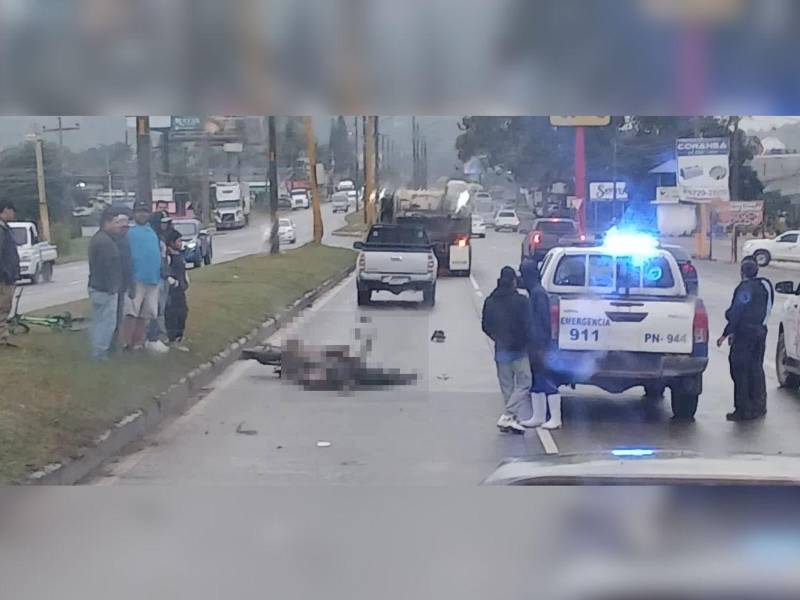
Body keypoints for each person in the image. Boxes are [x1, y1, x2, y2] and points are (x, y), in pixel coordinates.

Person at [717, 257, 774, 421]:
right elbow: (767, 308)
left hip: (744, 335)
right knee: (756, 369)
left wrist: (725, 333)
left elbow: (736, 313)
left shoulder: (745, 288)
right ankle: (759, 405)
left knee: (740, 371)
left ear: (742, 272)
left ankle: (743, 410)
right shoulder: (766, 285)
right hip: (760, 332)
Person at [481, 266, 532, 434]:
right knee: (525, 383)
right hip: (519, 350)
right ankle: (509, 415)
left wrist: (497, 338)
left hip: (501, 350)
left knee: (507, 387)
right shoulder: (522, 301)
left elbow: (485, 325)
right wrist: (525, 340)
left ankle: (512, 420)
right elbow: (528, 325)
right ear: (513, 282)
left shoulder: (491, 300)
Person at [518, 257, 561, 429]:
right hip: (535, 344)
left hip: (540, 345)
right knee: (536, 380)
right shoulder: (535, 292)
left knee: (546, 379)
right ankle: (538, 415)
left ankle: (555, 418)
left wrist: (542, 345)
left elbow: (543, 321)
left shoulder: (538, 293)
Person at [119, 201, 165, 352]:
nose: (142, 214)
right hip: (135, 279)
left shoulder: (152, 231)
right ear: (134, 214)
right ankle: (126, 344)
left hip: (153, 279)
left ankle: (138, 344)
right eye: (139, 211)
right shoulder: (128, 232)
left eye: (145, 211)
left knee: (145, 314)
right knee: (131, 313)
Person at [87, 209, 125, 360]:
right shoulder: (105, 242)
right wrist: (113, 287)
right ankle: (99, 353)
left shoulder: (100, 239)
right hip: (104, 289)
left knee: (99, 321)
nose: (118, 225)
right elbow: (107, 266)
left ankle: (97, 350)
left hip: (98, 286)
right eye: (115, 222)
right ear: (106, 223)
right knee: (106, 323)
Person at [144, 210, 172, 352]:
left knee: (161, 307)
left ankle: (158, 335)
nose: (166, 225)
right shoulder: (152, 237)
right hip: (156, 277)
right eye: (163, 223)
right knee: (155, 308)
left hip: (163, 275)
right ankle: (152, 338)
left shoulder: (160, 236)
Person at [164, 230, 190, 351]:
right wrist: (173, 282)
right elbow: (165, 271)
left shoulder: (179, 255)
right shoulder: (168, 257)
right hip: (172, 291)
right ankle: (172, 339)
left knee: (183, 312)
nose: (181, 243)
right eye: (178, 241)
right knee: (173, 314)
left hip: (181, 289)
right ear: (171, 243)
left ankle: (179, 338)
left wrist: (185, 281)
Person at [110, 210, 132, 351]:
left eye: (126, 227)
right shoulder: (112, 241)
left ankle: (116, 343)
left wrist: (131, 284)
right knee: (112, 317)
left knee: (119, 317)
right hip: (114, 285)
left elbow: (128, 264)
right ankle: (111, 345)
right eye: (121, 227)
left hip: (123, 284)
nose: (124, 230)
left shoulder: (125, 241)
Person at [0, 200, 20, 348]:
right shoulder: (1, 229)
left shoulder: (5, 228)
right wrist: (6, 273)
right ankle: (2, 340)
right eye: (12, 210)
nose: (13, 214)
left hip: (7, 275)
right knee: (3, 308)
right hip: (4, 278)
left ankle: (3, 338)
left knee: (5, 308)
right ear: (5, 209)